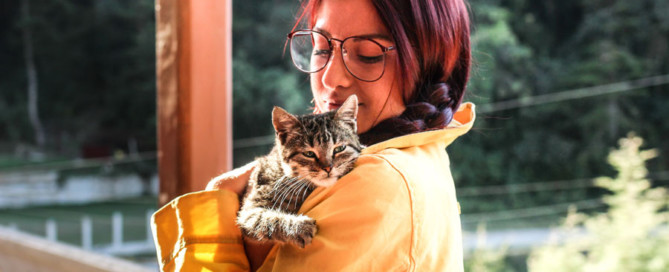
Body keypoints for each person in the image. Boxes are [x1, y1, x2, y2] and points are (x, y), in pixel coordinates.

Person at [151, 0, 475, 271]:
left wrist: (214, 205)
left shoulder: (376, 182)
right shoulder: (426, 151)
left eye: (368, 55)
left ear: (430, 65)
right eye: (321, 49)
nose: (331, 79)